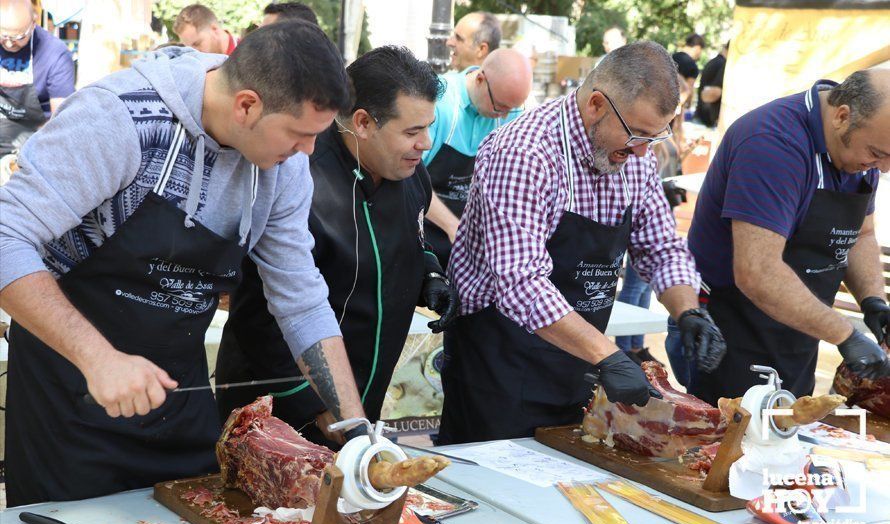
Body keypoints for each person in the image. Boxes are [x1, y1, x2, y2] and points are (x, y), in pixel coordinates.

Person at [0, 22, 367, 507]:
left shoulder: (284, 168)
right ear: (247, 106)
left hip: (179, 402)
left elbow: (300, 298)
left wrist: (356, 430)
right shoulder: (122, 119)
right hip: (70, 403)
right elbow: (6, 236)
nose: (309, 151)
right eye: (300, 134)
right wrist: (98, 358)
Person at [437, 42, 726, 445]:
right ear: (595, 105)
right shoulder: (524, 152)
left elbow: (660, 246)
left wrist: (688, 312)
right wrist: (607, 354)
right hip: (500, 366)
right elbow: (521, 283)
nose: (643, 151)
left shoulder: (635, 159)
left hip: (580, 362)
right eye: (637, 134)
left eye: (653, 138)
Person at [216, 46, 459, 447]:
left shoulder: (410, 173)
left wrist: (430, 272)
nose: (426, 143)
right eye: (413, 131)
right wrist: (315, 404)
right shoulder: (298, 174)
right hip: (281, 401)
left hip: (367, 388)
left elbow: (413, 235)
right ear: (362, 122)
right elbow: (259, 315)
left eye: (429, 127)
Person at [682, 70, 890, 405]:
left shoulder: (862, 151)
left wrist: (873, 301)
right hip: (732, 326)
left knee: (782, 442)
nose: (883, 168)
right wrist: (845, 334)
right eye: (878, 153)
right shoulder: (772, 144)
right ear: (841, 116)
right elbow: (757, 272)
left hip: (801, 329)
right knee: (724, 448)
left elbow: (862, 234)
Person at [423, 48, 532, 267]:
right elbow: (412, 179)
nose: (503, 115)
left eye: (511, 109)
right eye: (500, 107)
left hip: (470, 237)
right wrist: (454, 227)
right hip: (424, 230)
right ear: (481, 79)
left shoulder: (510, 113)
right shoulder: (441, 102)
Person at [0, 0, 74, 154]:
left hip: (36, 131)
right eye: (3, 35)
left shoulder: (55, 54)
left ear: (33, 24)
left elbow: (60, 120)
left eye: (18, 37)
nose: (8, 44)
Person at [174, 4, 239, 55]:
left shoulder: (246, 54)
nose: (194, 53)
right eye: (189, 49)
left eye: (197, 44)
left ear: (214, 29)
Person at [693, 42, 728, 128]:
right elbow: (712, 93)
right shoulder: (723, 64)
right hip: (709, 119)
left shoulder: (713, 62)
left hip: (701, 114)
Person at [672, 33, 704, 98]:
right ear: (697, 48)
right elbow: (687, 92)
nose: (700, 54)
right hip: (675, 102)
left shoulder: (671, 57)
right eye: (701, 50)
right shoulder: (693, 67)